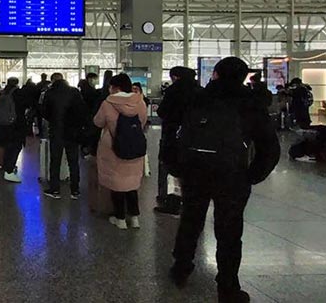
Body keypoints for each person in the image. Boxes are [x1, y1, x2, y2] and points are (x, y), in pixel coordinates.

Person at [168, 57, 280, 303]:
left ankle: (181, 267)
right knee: (229, 230)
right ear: (242, 77)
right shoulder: (249, 102)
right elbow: (269, 147)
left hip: (195, 171)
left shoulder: (197, 97)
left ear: (216, 73)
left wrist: (176, 166)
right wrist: (252, 175)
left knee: (191, 219)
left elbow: (172, 133)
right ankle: (228, 285)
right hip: (231, 175)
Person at [93, 73, 147, 230]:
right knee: (131, 184)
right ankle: (135, 218)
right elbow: (142, 122)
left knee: (117, 184)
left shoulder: (108, 103)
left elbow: (98, 122)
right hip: (135, 145)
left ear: (115, 87)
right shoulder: (140, 102)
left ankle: (120, 218)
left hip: (113, 147)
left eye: (111, 87)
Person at [155, 66, 201, 216]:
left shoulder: (173, 91)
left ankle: (170, 202)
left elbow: (162, 112)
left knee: (170, 169)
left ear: (175, 77)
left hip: (172, 136)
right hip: (194, 138)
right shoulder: (200, 91)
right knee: (191, 171)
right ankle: (189, 202)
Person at [42, 73, 89, 199]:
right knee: (73, 161)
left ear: (52, 81)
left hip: (56, 131)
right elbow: (82, 111)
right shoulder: (74, 92)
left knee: (55, 161)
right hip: (73, 132)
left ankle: (55, 189)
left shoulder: (49, 93)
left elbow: (45, 112)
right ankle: (75, 190)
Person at [0, 77, 29, 183]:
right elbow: (25, 106)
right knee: (15, 147)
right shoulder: (19, 93)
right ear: (17, 83)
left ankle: (6, 167)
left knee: (5, 146)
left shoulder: (1, 93)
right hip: (16, 125)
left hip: (2, 125)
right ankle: (9, 170)